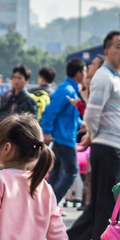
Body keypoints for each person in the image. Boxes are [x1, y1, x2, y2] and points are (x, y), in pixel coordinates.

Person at [67, 31, 120, 240]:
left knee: (101, 203)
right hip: (108, 147)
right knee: (107, 205)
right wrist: (93, 136)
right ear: (107, 52)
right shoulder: (104, 77)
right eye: (118, 47)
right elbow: (92, 113)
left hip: (117, 146)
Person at [41, 59, 86, 201]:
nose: (86, 74)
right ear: (78, 73)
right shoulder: (67, 89)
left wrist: (80, 123)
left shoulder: (70, 88)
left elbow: (68, 115)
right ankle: (51, 205)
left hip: (63, 137)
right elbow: (50, 110)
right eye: (84, 71)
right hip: (63, 138)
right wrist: (46, 131)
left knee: (55, 174)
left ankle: (43, 205)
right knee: (72, 172)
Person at [0, 65, 38, 134]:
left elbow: (33, 124)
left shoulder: (29, 101)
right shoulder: (7, 97)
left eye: (19, 78)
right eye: (14, 77)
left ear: (27, 80)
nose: (16, 80)